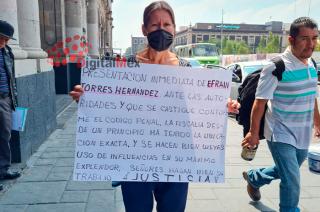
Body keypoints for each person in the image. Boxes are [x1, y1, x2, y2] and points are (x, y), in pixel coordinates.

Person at [70, 1, 240, 211]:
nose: (162, 30)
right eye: (155, 25)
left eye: (167, 24)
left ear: (174, 29)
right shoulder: (126, 66)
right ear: (144, 29)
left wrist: (222, 106)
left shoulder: (187, 69)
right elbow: (112, 106)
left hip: (177, 158)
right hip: (134, 159)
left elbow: (199, 106)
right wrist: (88, 98)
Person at [241, 17, 319, 212]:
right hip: (279, 132)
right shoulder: (277, 67)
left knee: (285, 170)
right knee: (292, 178)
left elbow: (312, 97)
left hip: (303, 133)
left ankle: (254, 178)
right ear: (291, 40)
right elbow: (260, 103)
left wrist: (318, 123)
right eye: (305, 38)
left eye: (315, 38)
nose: (311, 44)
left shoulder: (312, 64)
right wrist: (252, 132)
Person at [0, 20, 21, 191]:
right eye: (2, 38)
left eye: (7, 39)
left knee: (5, 135)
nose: (4, 42)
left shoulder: (7, 52)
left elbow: (11, 75)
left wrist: (14, 98)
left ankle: (3, 169)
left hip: (5, 98)